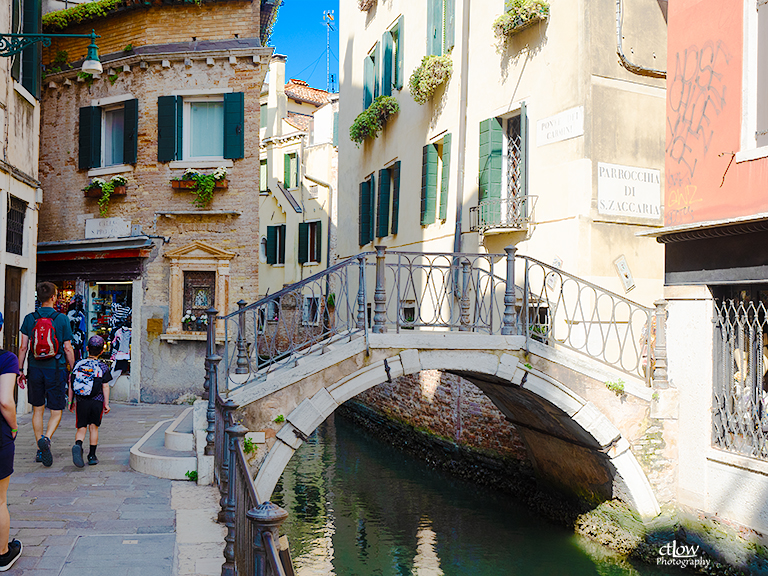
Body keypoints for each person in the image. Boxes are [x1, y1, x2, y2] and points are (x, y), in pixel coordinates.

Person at [18, 282, 75, 467]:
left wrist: (20, 370)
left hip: (34, 368)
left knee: (37, 409)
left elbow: (23, 347)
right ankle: (47, 439)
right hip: (56, 369)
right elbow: (67, 347)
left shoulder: (29, 318)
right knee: (56, 410)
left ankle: (39, 448)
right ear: (54, 297)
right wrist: (73, 368)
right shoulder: (62, 319)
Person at [0, 313, 23, 570]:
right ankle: (3, 553)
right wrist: (14, 426)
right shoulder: (6, 358)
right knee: (0, 499)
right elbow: (5, 400)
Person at [68, 336, 111, 467]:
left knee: (81, 427)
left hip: (81, 401)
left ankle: (78, 445)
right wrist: (106, 404)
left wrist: (71, 402)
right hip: (96, 402)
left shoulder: (78, 364)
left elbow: (71, 383)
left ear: (87, 349)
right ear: (101, 351)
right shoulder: (103, 367)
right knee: (94, 428)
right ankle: (92, 456)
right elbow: (105, 386)